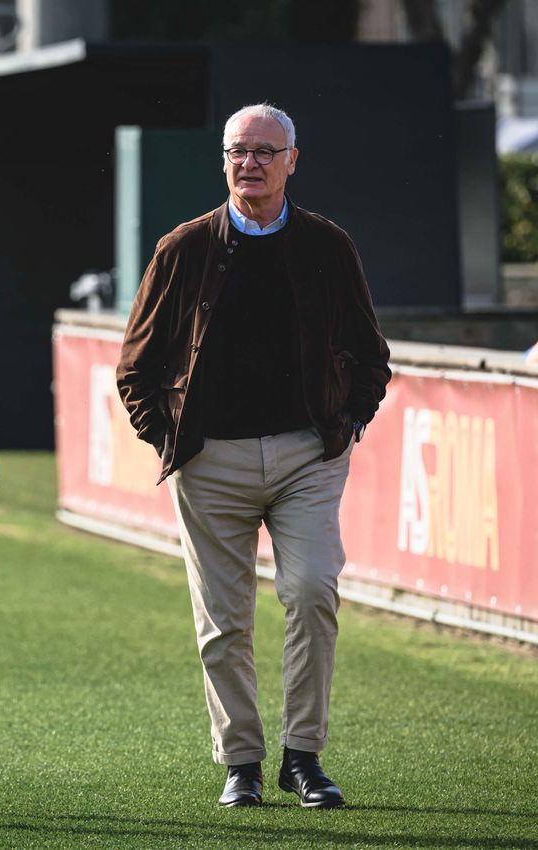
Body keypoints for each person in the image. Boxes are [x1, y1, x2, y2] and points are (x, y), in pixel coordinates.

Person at [116, 103, 390, 810]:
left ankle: (303, 757)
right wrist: (171, 437)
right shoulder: (183, 248)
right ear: (224, 160)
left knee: (310, 592)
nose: (251, 163)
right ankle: (240, 760)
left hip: (308, 457)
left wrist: (346, 423)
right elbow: (134, 367)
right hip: (211, 463)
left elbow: (370, 355)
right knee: (223, 622)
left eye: (266, 151)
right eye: (239, 150)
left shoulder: (328, 246)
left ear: (292, 160)